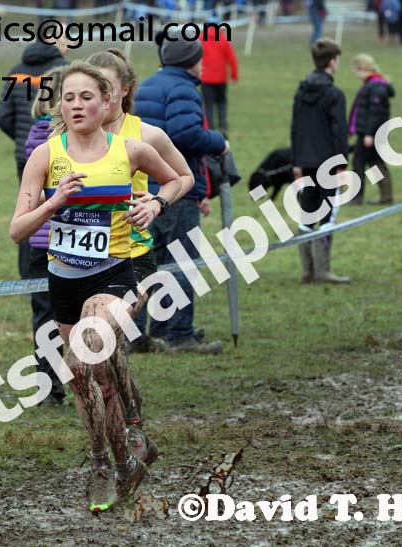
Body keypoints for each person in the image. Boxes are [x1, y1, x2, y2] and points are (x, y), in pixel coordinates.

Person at [10, 62, 184, 511]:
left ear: (107, 101)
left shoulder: (131, 149)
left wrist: (156, 203)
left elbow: (176, 178)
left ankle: (100, 466)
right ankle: (121, 463)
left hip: (116, 273)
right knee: (90, 378)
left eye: (85, 97)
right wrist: (54, 202)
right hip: (64, 280)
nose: (76, 105)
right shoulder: (46, 155)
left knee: (81, 360)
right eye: (68, 98)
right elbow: (17, 230)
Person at [85, 48, 194, 463]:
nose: (100, 97)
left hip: (132, 257)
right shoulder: (68, 136)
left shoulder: (146, 135)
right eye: (92, 88)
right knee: (101, 354)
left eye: (108, 89)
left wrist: (157, 203)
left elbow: (183, 177)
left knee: (102, 345)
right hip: (80, 261)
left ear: (126, 90)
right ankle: (129, 419)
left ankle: (121, 439)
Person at [134, 28, 229, 354]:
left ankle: (149, 332)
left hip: (146, 189)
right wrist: (219, 141)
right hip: (176, 187)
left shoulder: (148, 85)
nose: (203, 65)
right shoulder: (184, 89)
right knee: (183, 261)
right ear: (190, 61)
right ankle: (180, 334)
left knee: (152, 262)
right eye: (199, 59)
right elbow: (186, 133)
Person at [0, 36, 70, 406]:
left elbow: (2, 117)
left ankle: (48, 384)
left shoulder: (16, 71)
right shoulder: (72, 75)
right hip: (67, 233)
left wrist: (23, 140)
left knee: (44, 305)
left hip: (27, 173)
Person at [291, 37, 350, 284]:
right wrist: (342, 165)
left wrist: (297, 161)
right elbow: (339, 131)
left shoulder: (301, 90)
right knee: (328, 215)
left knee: (307, 213)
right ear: (332, 61)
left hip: (305, 161)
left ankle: (308, 270)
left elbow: (296, 127)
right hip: (328, 163)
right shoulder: (335, 94)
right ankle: (323, 270)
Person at [348, 53, 395, 205]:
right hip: (369, 132)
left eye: (356, 70)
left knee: (359, 163)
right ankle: (385, 195)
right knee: (374, 163)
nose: (356, 74)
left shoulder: (376, 87)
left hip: (370, 133)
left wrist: (369, 133)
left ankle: (357, 197)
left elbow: (376, 113)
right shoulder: (373, 84)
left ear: (362, 69)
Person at [200, 23, 239, 137]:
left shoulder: (201, 39)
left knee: (208, 105)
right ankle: (223, 127)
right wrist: (234, 75)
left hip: (206, 78)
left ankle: (210, 128)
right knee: (222, 103)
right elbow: (232, 58)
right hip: (221, 78)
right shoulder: (223, 39)